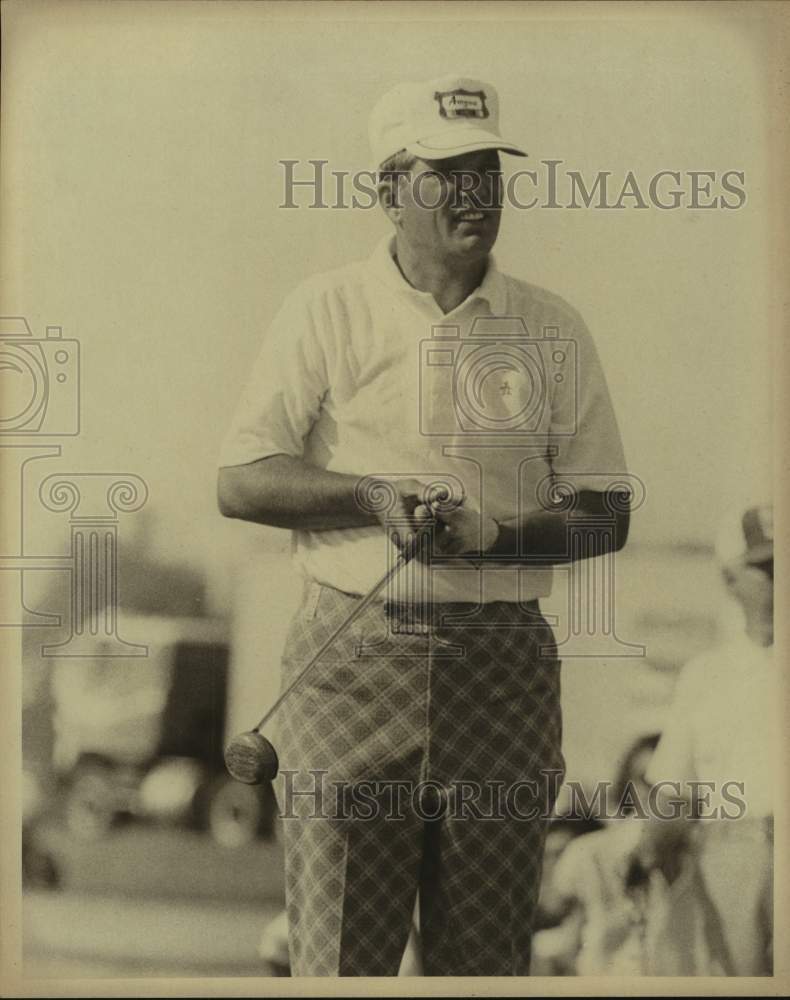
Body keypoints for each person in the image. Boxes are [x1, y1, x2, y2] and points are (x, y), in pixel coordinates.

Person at [217, 74, 629, 976]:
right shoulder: (327, 307)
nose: (475, 194)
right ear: (390, 189)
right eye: (447, 173)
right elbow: (241, 481)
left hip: (504, 666)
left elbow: (607, 513)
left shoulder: (552, 325)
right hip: (350, 663)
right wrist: (371, 495)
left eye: (488, 171)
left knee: (483, 969)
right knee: (339, 963)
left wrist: (495, 539)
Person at [630, 502, 775, 976]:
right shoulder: (707, 673)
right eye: (767, 568)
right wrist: (647, 852)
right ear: (730, 580)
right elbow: (674, 791)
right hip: (736, 847)